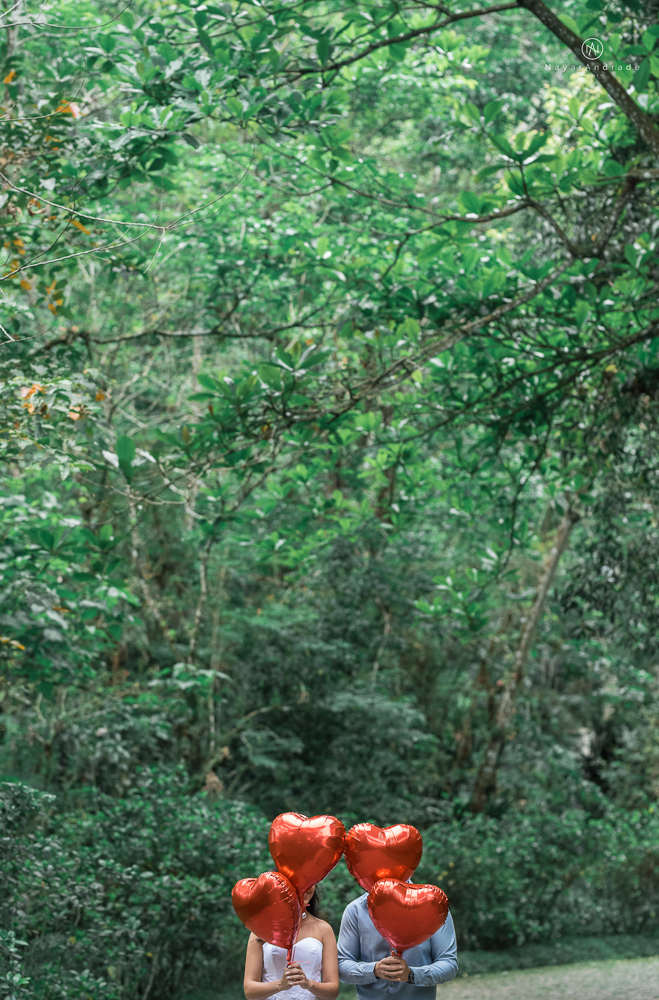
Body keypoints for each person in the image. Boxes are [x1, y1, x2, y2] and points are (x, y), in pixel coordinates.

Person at [337, 887, 458, 997]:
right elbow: (341, 965)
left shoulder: (434, 906)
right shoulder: (355, 910)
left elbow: (449, 964)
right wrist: (374, 970)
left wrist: (412, 975)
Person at [243, 885, 340, 999]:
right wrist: (279, 985)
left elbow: (333, 992)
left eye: (311, 881)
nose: (307, 888)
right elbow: (249, 991)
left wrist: (308, 984)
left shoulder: (324, 929)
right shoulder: (260, 929)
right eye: (301, 881)